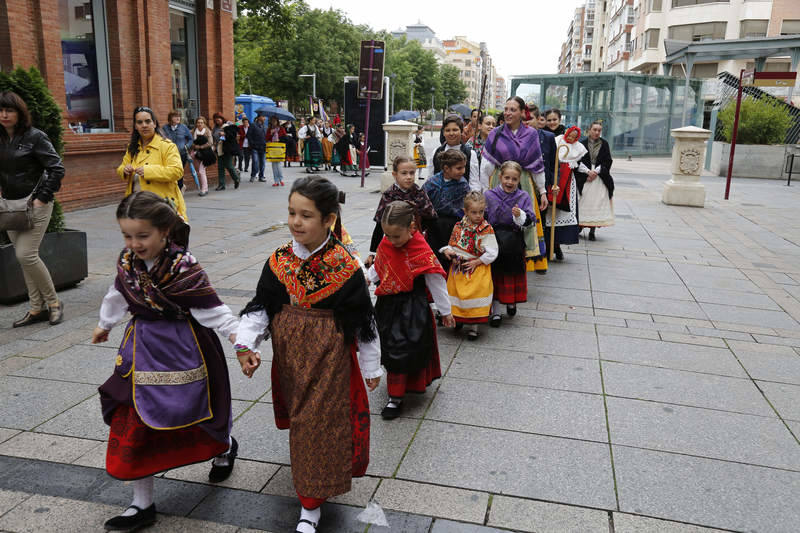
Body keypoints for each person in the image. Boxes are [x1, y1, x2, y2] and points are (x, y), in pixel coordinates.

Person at [234, 177, 381, 533]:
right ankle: (313, 485)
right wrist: (246, 345)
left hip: (329, 358)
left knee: (317, 424)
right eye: (291, 213)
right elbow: (262, 307)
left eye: (306, 215)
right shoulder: (279, 261)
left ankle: (310, 505)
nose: (295, 222)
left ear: (329, 220)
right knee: (303, 422)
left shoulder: (346, 267)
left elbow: (363, 319)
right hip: (290, 357)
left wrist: (371, 364)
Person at [93, 191, 239, 531]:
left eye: (142, 236)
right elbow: (118, 292)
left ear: (164, 231)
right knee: (134, 420)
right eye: (127, 236)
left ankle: (225, 446)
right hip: (140, 349)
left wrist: (238, 337)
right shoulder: (127, 262)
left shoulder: (183, 266)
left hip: (186, 346)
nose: (134, 244)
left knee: (201, 410)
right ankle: (141, 504)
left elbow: (210, 307)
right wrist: (105, 323)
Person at [368, 201, 453, 419]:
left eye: (396, 236)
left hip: (412, 307)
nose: (392, 240)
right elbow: (381, 265)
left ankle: (397, 396)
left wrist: (446, 311)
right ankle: (396, 391)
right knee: (390, 346)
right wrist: (368, 278)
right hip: (388, 305)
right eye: (387, 235)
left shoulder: (420, 249)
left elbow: (435, 280)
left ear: (412, 228)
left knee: (406, 347)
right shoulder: (387, 243)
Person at [0, 91, 66, 327]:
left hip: (35, 204)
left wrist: (41, 198)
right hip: (9, 207)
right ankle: (37, 308)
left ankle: (55, 303)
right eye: (1, 110)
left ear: (19, 113)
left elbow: (57, 168)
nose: (4, 115)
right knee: (25, 259)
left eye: (9, 110)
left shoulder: (35, 137)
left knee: (25, 254)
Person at [480, 96, 549, 274]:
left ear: (521, 112)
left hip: (523, 181)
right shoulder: (496, 133)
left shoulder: (531, 134)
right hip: (499, 179)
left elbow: (537, 164)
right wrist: (484, 190)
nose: (508, 113)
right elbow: (486, 164)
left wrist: (542, 191)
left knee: (524, 218)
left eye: (513, 109)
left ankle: (522, 257)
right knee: (498, 219)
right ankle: (496, 253)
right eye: (506, 109)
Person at [441, 191, 498, 340]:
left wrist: (478, 261)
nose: (478, 216)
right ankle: (458, 318)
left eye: (481, 212)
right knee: (457, 295)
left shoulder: (486, 229)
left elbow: (493, 252)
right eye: (474, 212)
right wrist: (450, 253)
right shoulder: (459, 226)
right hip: (459, 268)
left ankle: (474, 327)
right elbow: (452, 244)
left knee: (474, 296)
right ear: (465, 211)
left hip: (476, 267)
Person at [484, 161, 535, 326]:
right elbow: (483, 217)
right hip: (494, 240)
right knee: (495, 274)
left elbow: (530, 221)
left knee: (511, 273)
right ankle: (496, 310)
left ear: (519, 179)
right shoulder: (489, 195)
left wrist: (520, 215)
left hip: (514, 241)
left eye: (514, 179)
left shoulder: (523, 196)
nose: (510, 182)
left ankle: (511, 301)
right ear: (500, 177)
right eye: (507, 178)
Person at [117, 106, 187, 219]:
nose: (144, 125)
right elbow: (121, 167)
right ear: (135, 126)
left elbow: (177, 171)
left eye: (147, 121)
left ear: (154, 123)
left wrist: (148, 171)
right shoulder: (132, 147)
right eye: (139, 122)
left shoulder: (167, 146)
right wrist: (124, 170)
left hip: (161, 206)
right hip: (135, 206)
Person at [366, 156, 437, 265]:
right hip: (394, 240)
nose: (409, 177)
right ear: (395, 175)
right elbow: (380, 224)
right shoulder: (389, 195)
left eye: (412, 173)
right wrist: (373, 252)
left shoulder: (419, 193)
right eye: (404, 173)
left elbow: (431, 218)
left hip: (416, 241)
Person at [422, 149, 470, 273]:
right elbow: (422, 204)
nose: (463, 171)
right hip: (434, 227)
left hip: (455, 228)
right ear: (446, 168)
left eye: (464, 167)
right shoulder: (432, 183)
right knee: (436, 260)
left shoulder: (463, 185)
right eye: (459, 168)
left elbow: (467, 208)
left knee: (453, 261)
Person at [546, 126, 584, 261]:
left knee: (562, 214)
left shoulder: (578, 148)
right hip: (555, 180)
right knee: (550, 214)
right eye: (569, 136)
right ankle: (549, 246)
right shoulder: (557, 141)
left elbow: (580, 165)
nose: (571, 139)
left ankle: (557, 245)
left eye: (574, 137)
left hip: (568, 183)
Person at [575, 120, 615, 240]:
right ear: (589, 130)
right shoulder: (581, 143)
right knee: (583, 201)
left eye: (599, 130)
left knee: (597, 202)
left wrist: (596, 171)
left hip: (599, 177)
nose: (597, 132)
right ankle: (580, 226)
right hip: (585, 176)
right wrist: (587, 172)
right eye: (595, 130)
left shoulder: (605, 144)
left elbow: (608, 160)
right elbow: (577, 160)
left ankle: (592, 231)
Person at [431, 115, 479, 186]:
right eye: (447, 130)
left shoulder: (471, 154)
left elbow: (474, 183)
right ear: (443, 133)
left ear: (461, 131)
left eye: (455, 130)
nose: (451, 133)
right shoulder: (436, 152)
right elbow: (430, 178)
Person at [160, 110, 194, 192]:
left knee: (179, 173)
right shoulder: (165, 128)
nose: (178, 118)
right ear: (170, 118)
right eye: (175, 116)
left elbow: (190, 139)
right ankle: (173, 190)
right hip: (169, 155)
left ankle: (179, 189)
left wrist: (186, 146)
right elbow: (161, 139)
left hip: (182, 154)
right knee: (170, 172)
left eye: (179, 116)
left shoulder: (183, 127)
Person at [191, 116, 214, 197]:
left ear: (204, 123)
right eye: (198, 122)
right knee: (199, 172)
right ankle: (204, 188)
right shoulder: (193, 131)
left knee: (201, 171)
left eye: (201, 122)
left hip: (205, 154)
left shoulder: (207, 131)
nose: (199, 124)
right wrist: (194, 146)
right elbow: (191, 141)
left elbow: (210, 142)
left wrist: (201, 147)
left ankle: (204, 189)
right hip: (196, 154)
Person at [216, 116, 241, 191]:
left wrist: (225, 134)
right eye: (216, 119)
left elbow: (232, 136)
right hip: (219, 149)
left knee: (229, 166)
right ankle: (221, 184)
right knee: (220, 167)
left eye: (218, 119)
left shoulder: (228, 127)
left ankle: (236, 178)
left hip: (227, 150)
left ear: (222, 120)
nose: (217, 121)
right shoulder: (215, 128)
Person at [265, 116, 286, 186]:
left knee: (279, 164)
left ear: (277, 121)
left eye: (275, 121)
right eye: (272, 121)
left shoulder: (281, 128)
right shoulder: (269, 129)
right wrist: (271, 134)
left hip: (279, 147)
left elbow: (285, 137)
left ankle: (281, 179)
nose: (273, 122)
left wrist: (279, 139)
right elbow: (266, 138)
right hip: (272, 147)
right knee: (274, 165)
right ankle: (276, 181)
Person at [247, 115, 268, 183]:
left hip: (263, 147)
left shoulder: (265, 126)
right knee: (255, 162)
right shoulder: (253, 125)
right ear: (259, 117)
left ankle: (261, 176)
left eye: (264, 117)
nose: (264, 118)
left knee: (263, 163)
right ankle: (253, 175)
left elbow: (267, 137)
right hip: (255, 147)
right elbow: (248, 135)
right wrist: (252, 144)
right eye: (263, 117)